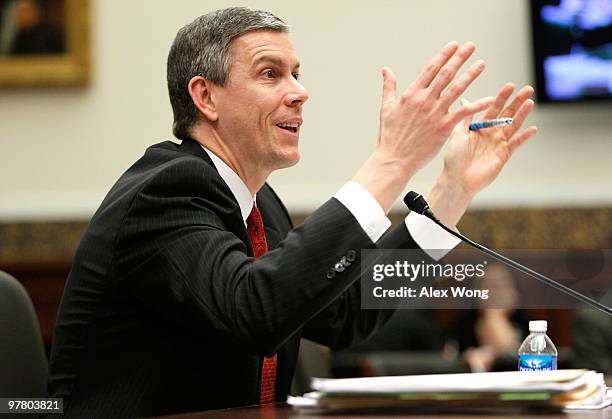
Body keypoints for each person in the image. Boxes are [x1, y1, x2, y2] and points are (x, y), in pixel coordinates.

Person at [46, 7, 537, 417]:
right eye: (270, 73)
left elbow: (343, 317)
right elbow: (255, 311)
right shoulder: (167, 191)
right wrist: (391, 162)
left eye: (296, 73)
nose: (299, 91)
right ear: (205, 96)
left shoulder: (259, 204)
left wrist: (450, 193)